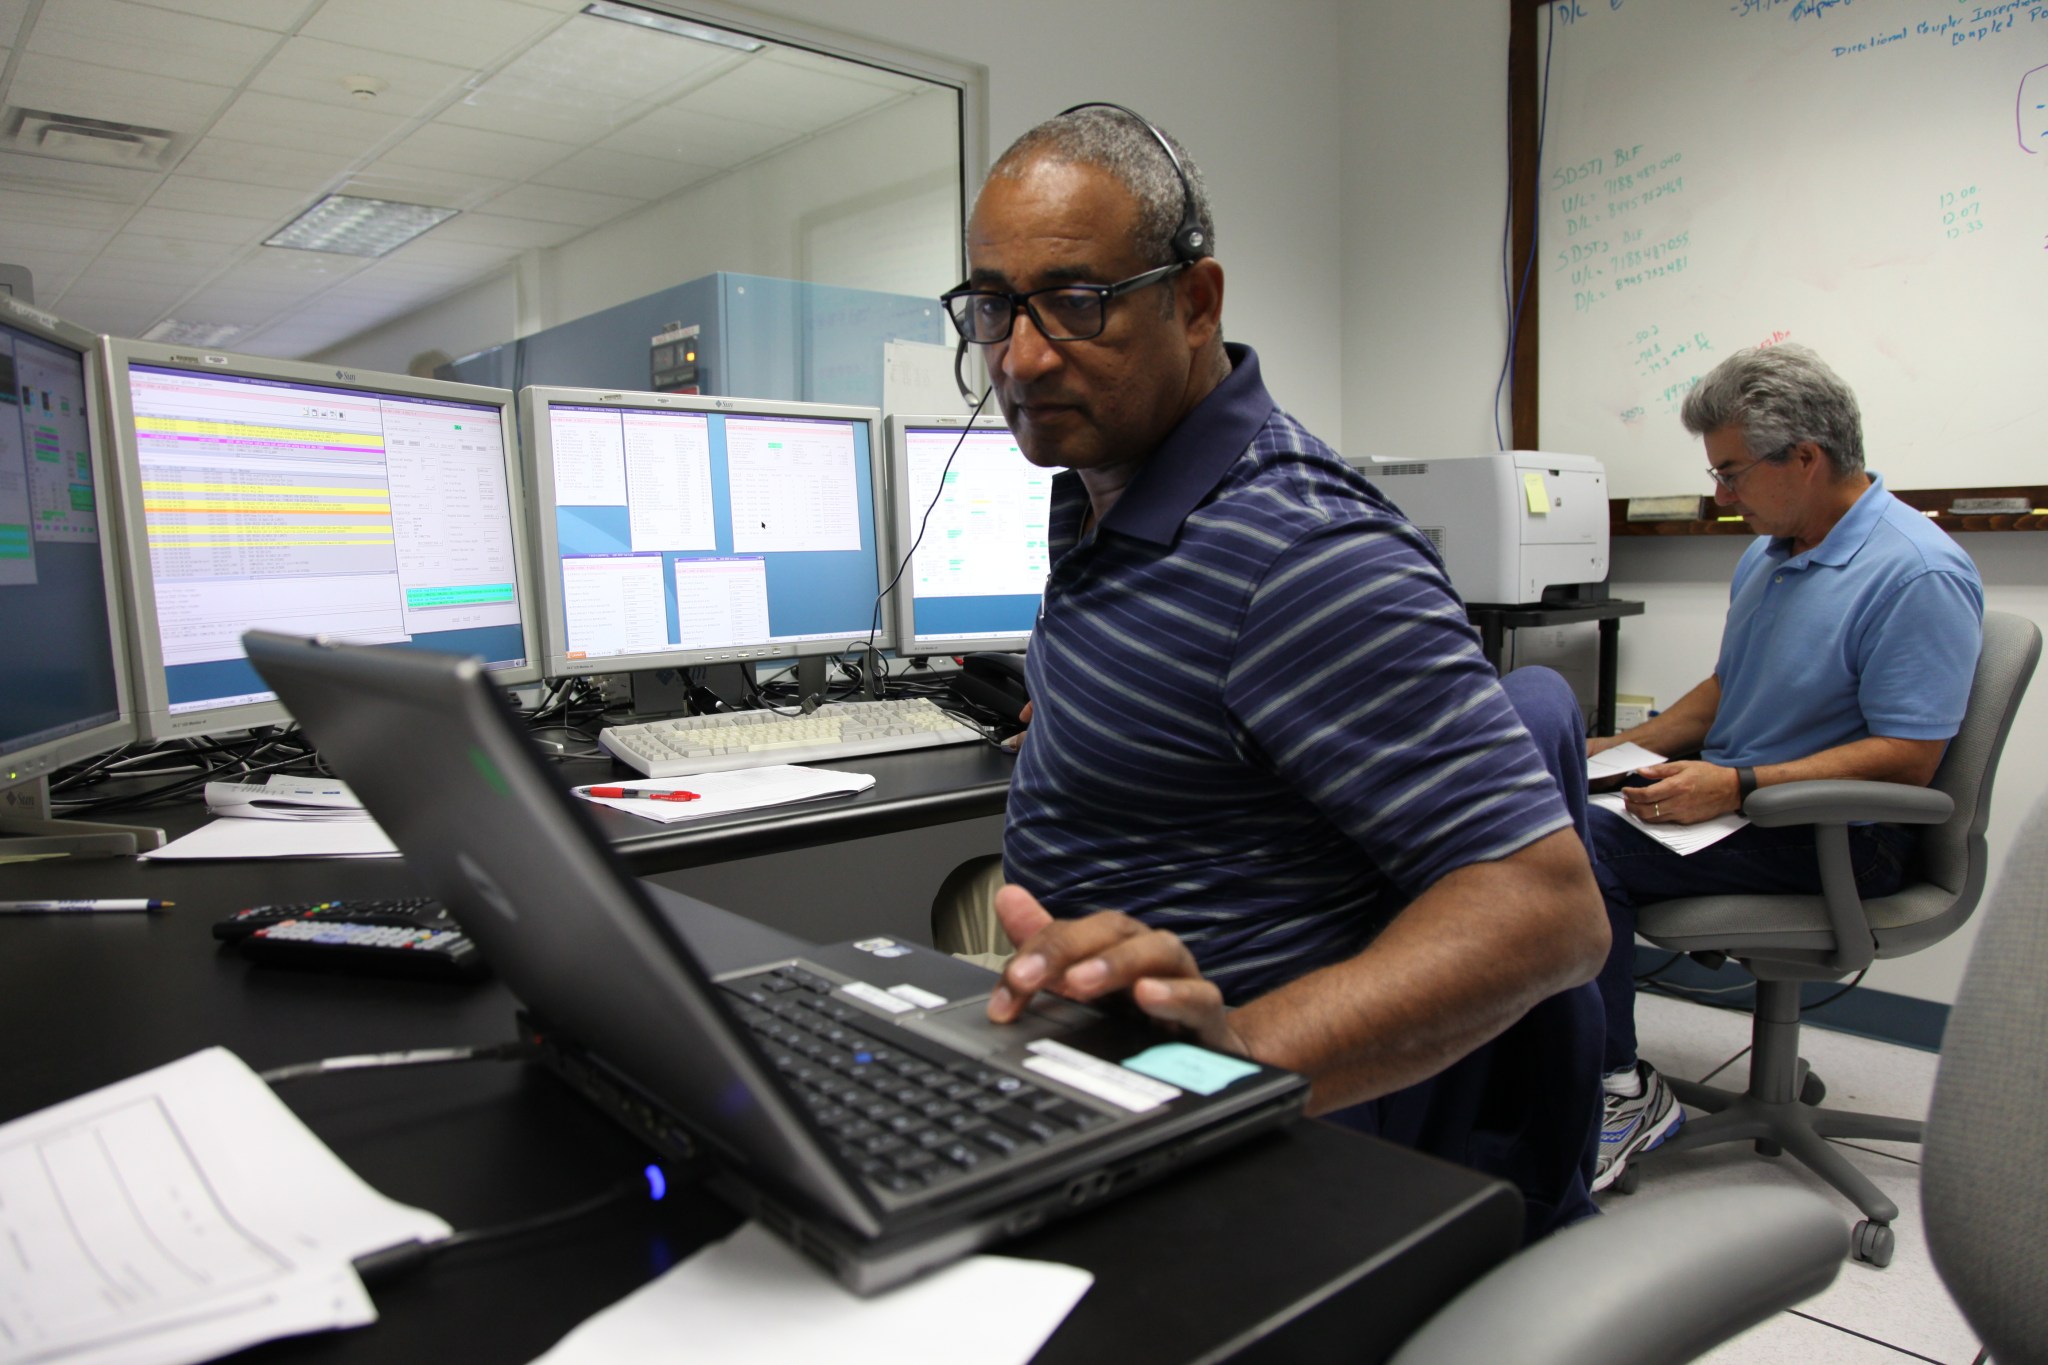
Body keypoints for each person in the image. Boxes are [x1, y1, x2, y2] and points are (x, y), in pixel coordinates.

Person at [944, 105, 1610, 1240]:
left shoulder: (1296, 556)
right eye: (995, 305)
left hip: (1231, 1147)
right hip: (1099, 1084)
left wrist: (1238, 1058)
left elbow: (1546, 915)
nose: (1019, 354)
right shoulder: (1107, 484)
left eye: (1074, 301)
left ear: (1194, 303)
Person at [1585, 343, 1984, 1192]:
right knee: (1545, 802)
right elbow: (1729, 690)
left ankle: (1618, 1093)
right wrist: (1621, 751)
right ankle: (1571, 1066)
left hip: (1845, 835)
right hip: (1744, 805)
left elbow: (1910, 760)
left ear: (1805, 458)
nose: (1722, 497)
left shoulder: (1917, 572)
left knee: (1576, 849)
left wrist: (1739, 784)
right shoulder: (1771, 550)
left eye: (1732, 474)